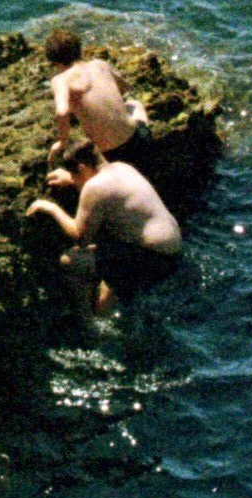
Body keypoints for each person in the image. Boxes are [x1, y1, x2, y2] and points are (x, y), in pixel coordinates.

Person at [31, 139, 184, 313]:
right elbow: (107, 190)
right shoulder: (123, 168)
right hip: (173, 248)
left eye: (74, 174)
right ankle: (113, 294)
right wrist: (74, 180)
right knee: (110, 252)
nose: (73, 179)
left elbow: (79, 237)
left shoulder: (94, 188)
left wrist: (50, 207)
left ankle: (91, 319)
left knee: (70, 260)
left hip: (153, 257)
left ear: (82, 168)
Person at [44, 30, 147, 168]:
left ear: (54, 61)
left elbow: (62, 112)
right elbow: (125, 87)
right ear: (79, 49)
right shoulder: (100, 64)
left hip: (110, 154)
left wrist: (63, 142)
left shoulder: (60, 80)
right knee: (134, 103)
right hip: (136, 140)